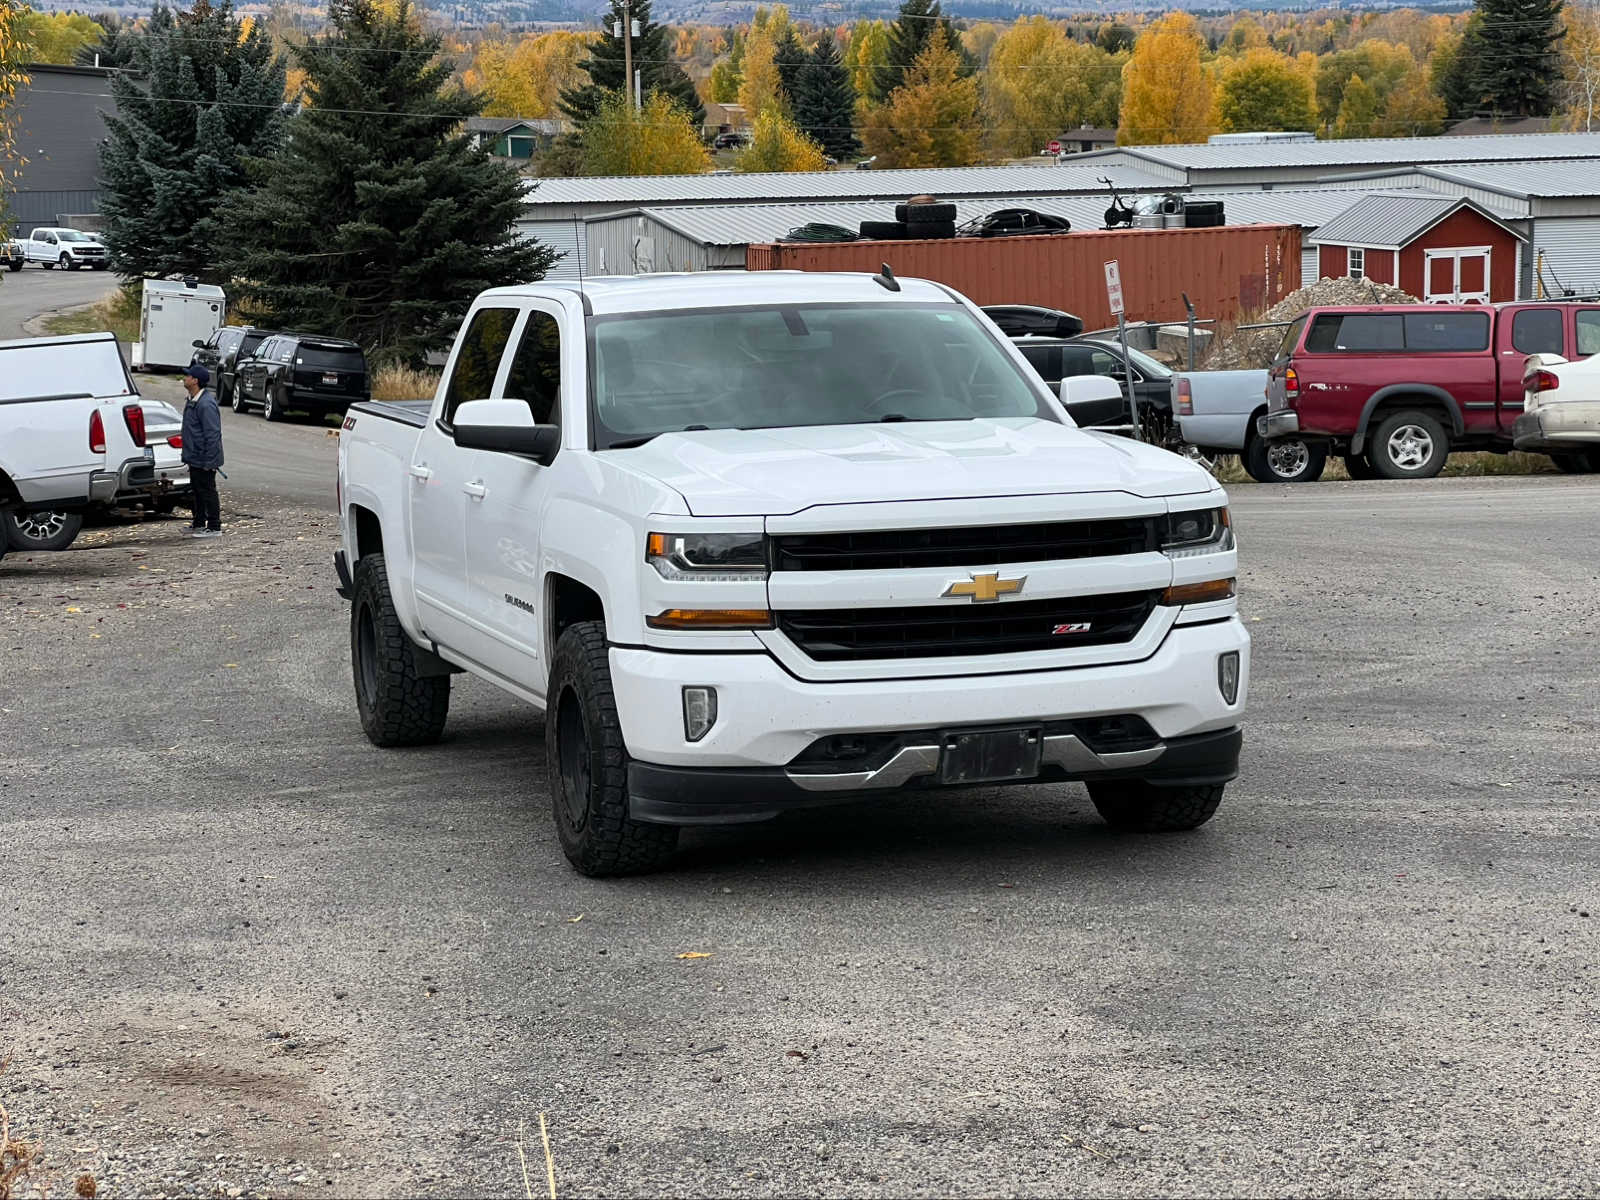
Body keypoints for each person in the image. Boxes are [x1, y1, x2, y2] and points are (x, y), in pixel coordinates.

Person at [179, 362, 224, 538]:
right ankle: (199, 522)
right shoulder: (192, 400)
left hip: (204, 457)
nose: (185, 378)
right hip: (194, 456)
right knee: (197, 490)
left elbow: (213, 434)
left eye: (188, 376)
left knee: (207, 490)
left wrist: (210, 461)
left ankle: (214, 526)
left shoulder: (205, 404)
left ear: (195, 380)